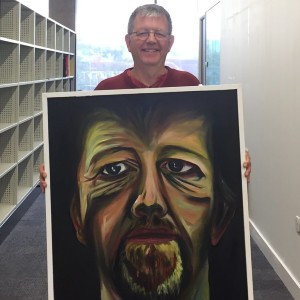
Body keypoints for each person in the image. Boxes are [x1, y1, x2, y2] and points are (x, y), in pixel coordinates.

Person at [39, 4, 251, 192]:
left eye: (159, 33)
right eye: (142, 33)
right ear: (128, 42)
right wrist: (55, 175)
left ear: (170, 42)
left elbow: (212, 144)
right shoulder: (106, 91)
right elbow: (87, 155)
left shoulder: (189, 85)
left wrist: (236, 162)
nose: (151, 40)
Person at [66, 94, 243, 300]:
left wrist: (243, 163)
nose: (149, 201)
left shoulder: (189, 86)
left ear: (220, 213)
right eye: (115, 169)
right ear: (78, 216)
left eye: (178, 167)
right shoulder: (104, 90)